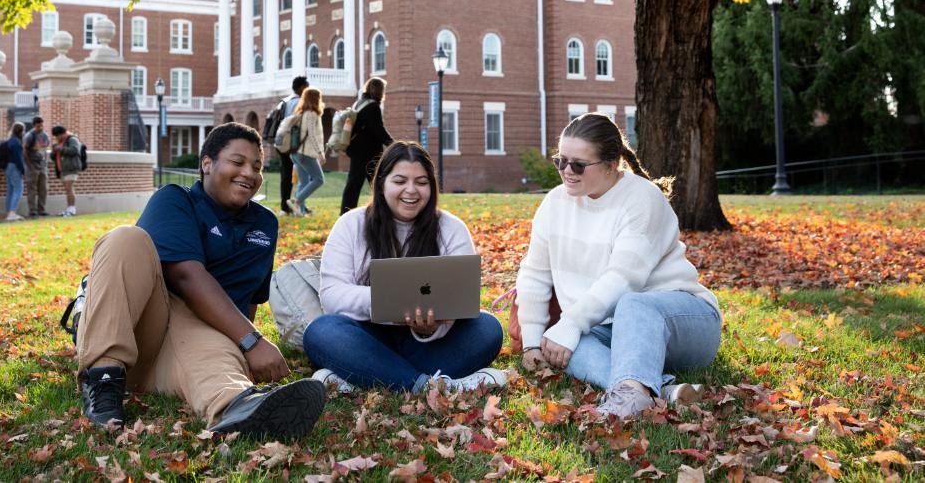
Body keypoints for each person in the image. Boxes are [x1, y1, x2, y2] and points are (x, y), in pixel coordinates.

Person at [75, 123, 326, 439]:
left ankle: (238, 407)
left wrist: (238, 349)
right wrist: (252, 340)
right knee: (126, 239)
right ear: (207, 163)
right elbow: (185, 275)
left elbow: (249, 301)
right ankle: (103, 379)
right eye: (237, 162)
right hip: (143, 333)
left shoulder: (265, 224)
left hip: (191, 350)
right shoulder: (175, 200)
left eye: (257, 166)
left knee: (211, 352)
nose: (249, 173)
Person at [516, 113, 722, 419]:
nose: (566, 172)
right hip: (609, 328)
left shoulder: (642, 198)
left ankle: (631, 399)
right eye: (561, 161)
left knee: (631, 304)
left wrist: (571, 323)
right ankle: (656, 389)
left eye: (578, 165)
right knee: (566, 345)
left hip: (682, 320)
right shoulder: (554, 204)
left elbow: (624, 278)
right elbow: (534, 273)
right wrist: (533, 343)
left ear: (612, 165)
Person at [304, 141, 506, 393]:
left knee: (487, 328)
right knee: (322, 331)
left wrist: (431, 327)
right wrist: (391, 300)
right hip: (366, 338)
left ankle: (368, 377)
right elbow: (332, 296)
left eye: (421, 182)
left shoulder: (452, 228)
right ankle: (428, 384)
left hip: (429, 344)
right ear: (381, 183)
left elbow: (461, 298)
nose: (411, 190)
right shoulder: (350, 224)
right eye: (399, 181)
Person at [339, 76, 393, 215]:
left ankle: (345, 213)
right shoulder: (373, 107)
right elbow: (378, 129)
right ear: (379, 90)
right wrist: (392, 143)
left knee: (354, 184)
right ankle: (385, 211)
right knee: (379, 183)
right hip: (369, 152)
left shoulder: (359, 103)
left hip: (356, 150)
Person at [285, 87, 325, 217]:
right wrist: (320, 153)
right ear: (315, 99)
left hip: (295, 152)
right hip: (305, 153)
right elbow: (312, 136)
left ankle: (300, 212)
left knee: (304, 182)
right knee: (319, 179)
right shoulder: (312, 114)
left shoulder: (300, 113)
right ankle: (296, 201)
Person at [278, 76, 309, 216]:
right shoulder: (298, 102)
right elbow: (298, 125)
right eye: (306, 86)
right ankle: (296, 205)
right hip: (292, 144)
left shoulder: (287, 100)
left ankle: (287, 206)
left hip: (281, 142)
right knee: (302, 176)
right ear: (301, 87)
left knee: (287, 175)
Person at [51, 125, 83, 217]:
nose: (57, 138)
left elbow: (75, 150)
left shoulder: (72, 139)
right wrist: (54, 151)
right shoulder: (61, 142)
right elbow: (54, 157)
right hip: (63, 169)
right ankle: (69, 209)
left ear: (63, 133)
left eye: (58, 136)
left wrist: (60, 148)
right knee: (67, 189)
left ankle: (72, 210)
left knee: (69, 188)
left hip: (71, 168)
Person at [22, 116, 50, 217]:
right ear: (34, 125)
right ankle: (32, 211)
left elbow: (45, 149)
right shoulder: (29, 136)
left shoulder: (45, 135)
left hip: (42, 165)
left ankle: (41, 210)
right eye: (38, 126)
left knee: (43, 189)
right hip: (32, 165)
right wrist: (29, 165)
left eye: (42, 125)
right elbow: (24, 150)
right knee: (32, 189)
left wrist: (45, 163)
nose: (41, 128)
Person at [3, 122, 26, 222]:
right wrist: (23, 170)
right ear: (21, 131)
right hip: (14, 167)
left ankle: (9, 212)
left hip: (7, 167)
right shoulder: (16, 142)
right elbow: (18, 159)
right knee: (18, 189)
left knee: (11, 190)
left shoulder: (9, 141)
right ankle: (12, 213)